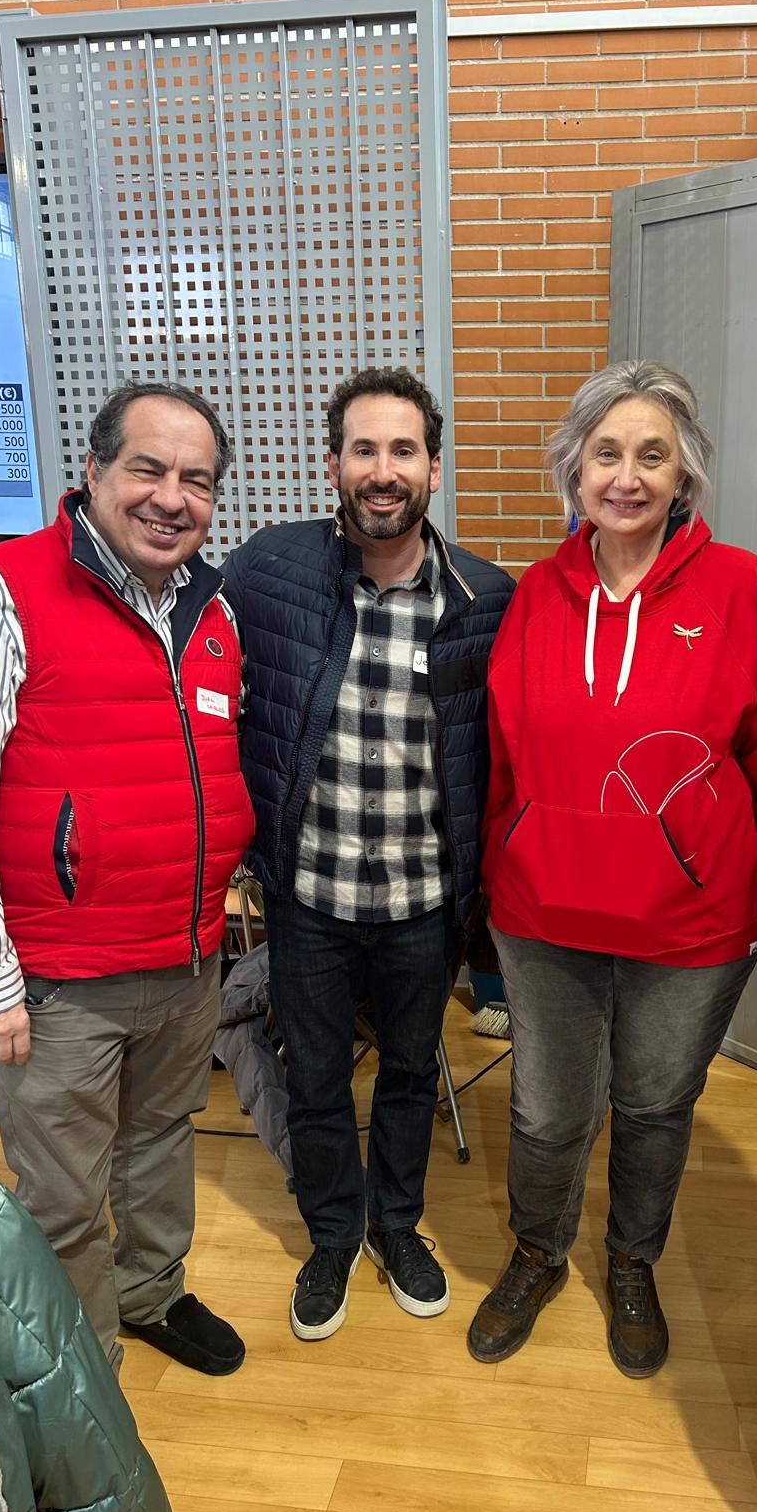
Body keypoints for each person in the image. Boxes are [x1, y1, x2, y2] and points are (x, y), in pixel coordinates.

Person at [469, 360, 757, 1376]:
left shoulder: (740, 586)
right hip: (542, 914)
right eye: (606, 453)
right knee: (545, 1109)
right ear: (574, 468)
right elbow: (500, 759)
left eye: (651, 455)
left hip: (692, 924)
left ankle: (632, 1260)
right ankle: (539, 1250)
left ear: (684, 472)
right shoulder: (536, 592)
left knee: (656, 1107)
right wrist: (493, 882)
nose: (626, 475)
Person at [0, 380, 255, 1377]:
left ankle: (152, 1292)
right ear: (94, 471)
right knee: (64, 1190)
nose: (171, 497)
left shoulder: (211, 607)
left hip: (188, 954)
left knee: (159, 1143)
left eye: (196, 480)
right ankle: (83, 1363)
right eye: (148, 469)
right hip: (57, 980)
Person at [221, 366, 515, 1340]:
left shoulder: (485, 598)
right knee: (313, 1077)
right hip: (310, 897)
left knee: (408, 1071)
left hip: (427, 902)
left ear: (434, 464)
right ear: (333, 461)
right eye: (363, 449)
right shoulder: (268, 572)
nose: (381, 471)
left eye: (402, 450)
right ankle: (332, 1236)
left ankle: (396, 1224)